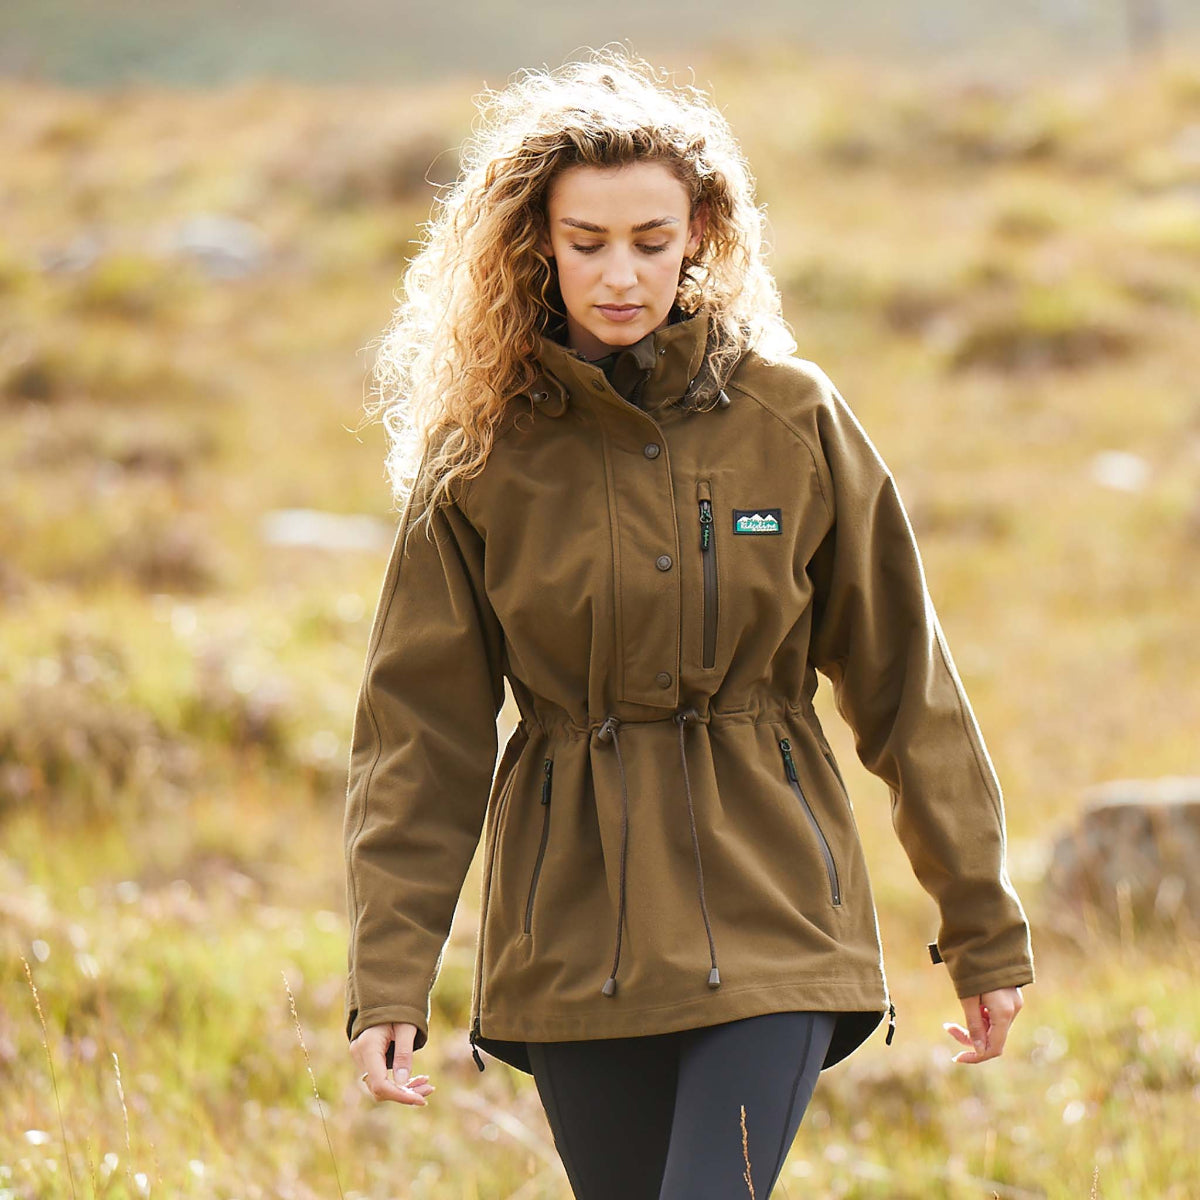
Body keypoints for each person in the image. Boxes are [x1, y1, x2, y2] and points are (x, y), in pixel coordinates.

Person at [344, 46, 1034, 1199]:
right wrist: (388, 978)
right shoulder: (479, 459)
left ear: (704, 231)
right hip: (573, 936)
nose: (622, 275)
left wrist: (980, 927)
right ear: (536, 246)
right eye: (588, 243)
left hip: (776, 918)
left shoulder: (794, 417)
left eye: (653, 242)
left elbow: (908, 687)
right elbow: (420, 739)